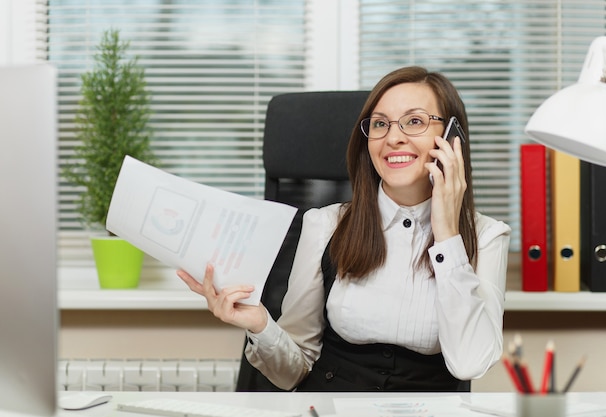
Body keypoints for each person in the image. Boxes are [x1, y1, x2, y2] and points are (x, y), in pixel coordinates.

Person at [177, 66, 511, 392]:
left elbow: (470, 364)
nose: (393, 137)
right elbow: (292, 372)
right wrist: (260, 325)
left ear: (452, 138)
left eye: (415, 121)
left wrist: (447, 233)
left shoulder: (486, 237)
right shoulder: (325, 225)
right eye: (380, 124)